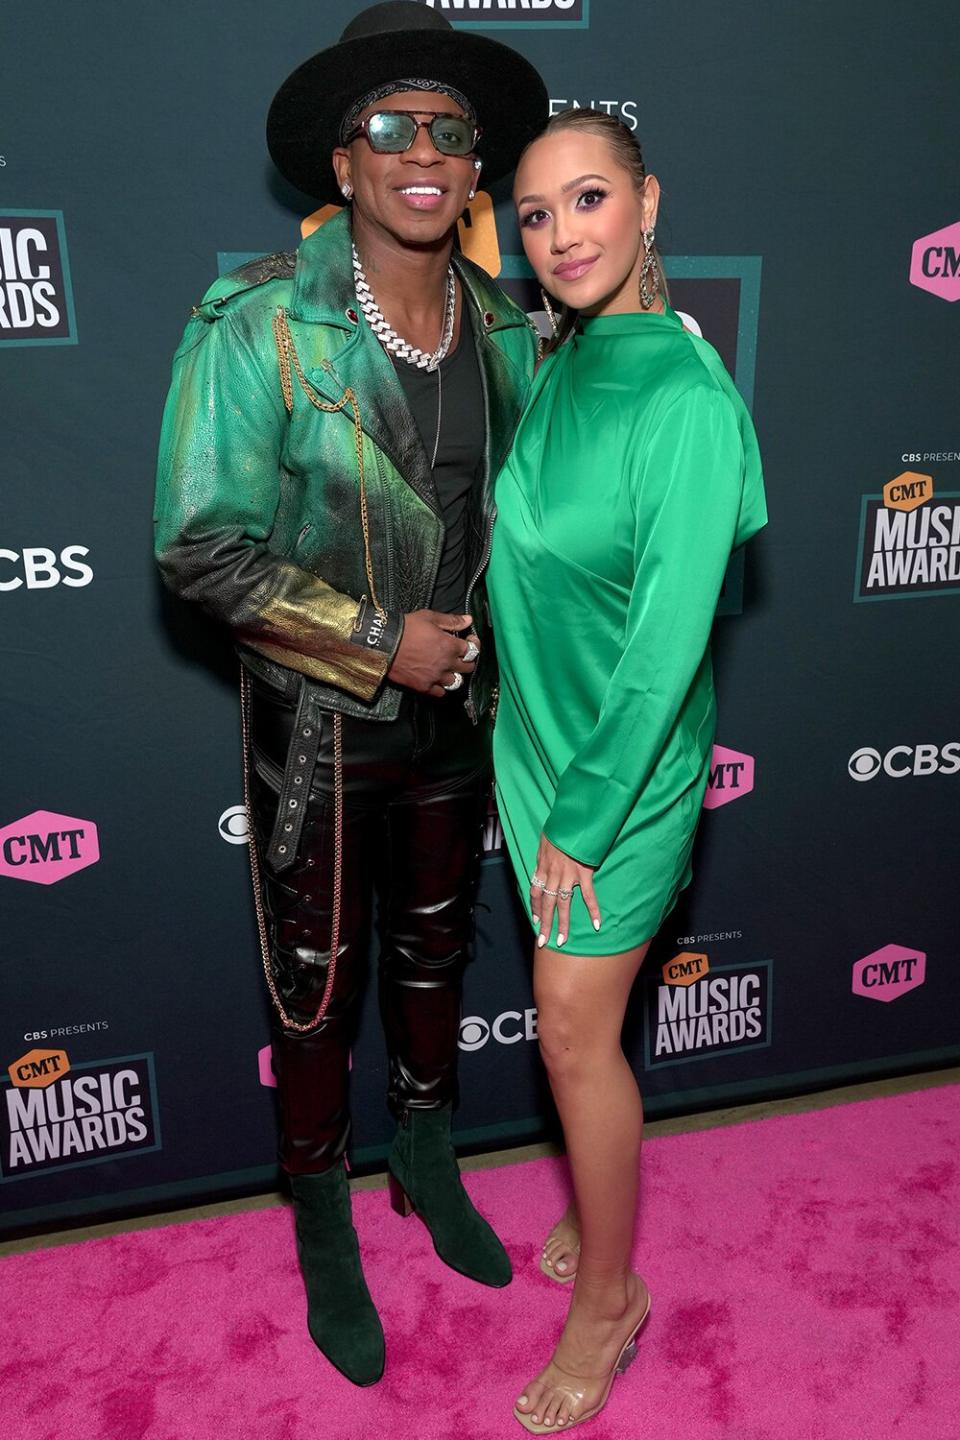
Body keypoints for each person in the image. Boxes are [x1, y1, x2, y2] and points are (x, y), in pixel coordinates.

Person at [154, 1, 546, 1388]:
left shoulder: (509, 327)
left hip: (463, 721)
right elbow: (199, 544)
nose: (423, 151)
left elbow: (538, 524)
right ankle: (321, 1211)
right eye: (392, 127)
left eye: (449, 129)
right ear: (345, 163)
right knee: (317, 988)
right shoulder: (258, 323)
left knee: (438, 952)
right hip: (320, 725)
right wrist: (383, 643)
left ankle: (427, 1161)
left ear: (474, 162)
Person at [487, 108, 767, 1432]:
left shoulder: (687, 400)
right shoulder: (572, 354)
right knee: (574, 1030)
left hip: (623, 772)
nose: (560, 237)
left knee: (570, 1029)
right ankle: (595, 1221)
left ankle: (612, 1297)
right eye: (536, 216)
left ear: (648, 204)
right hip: (540, 741)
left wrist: (589, 820)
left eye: (588, 201)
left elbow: (663, 650)